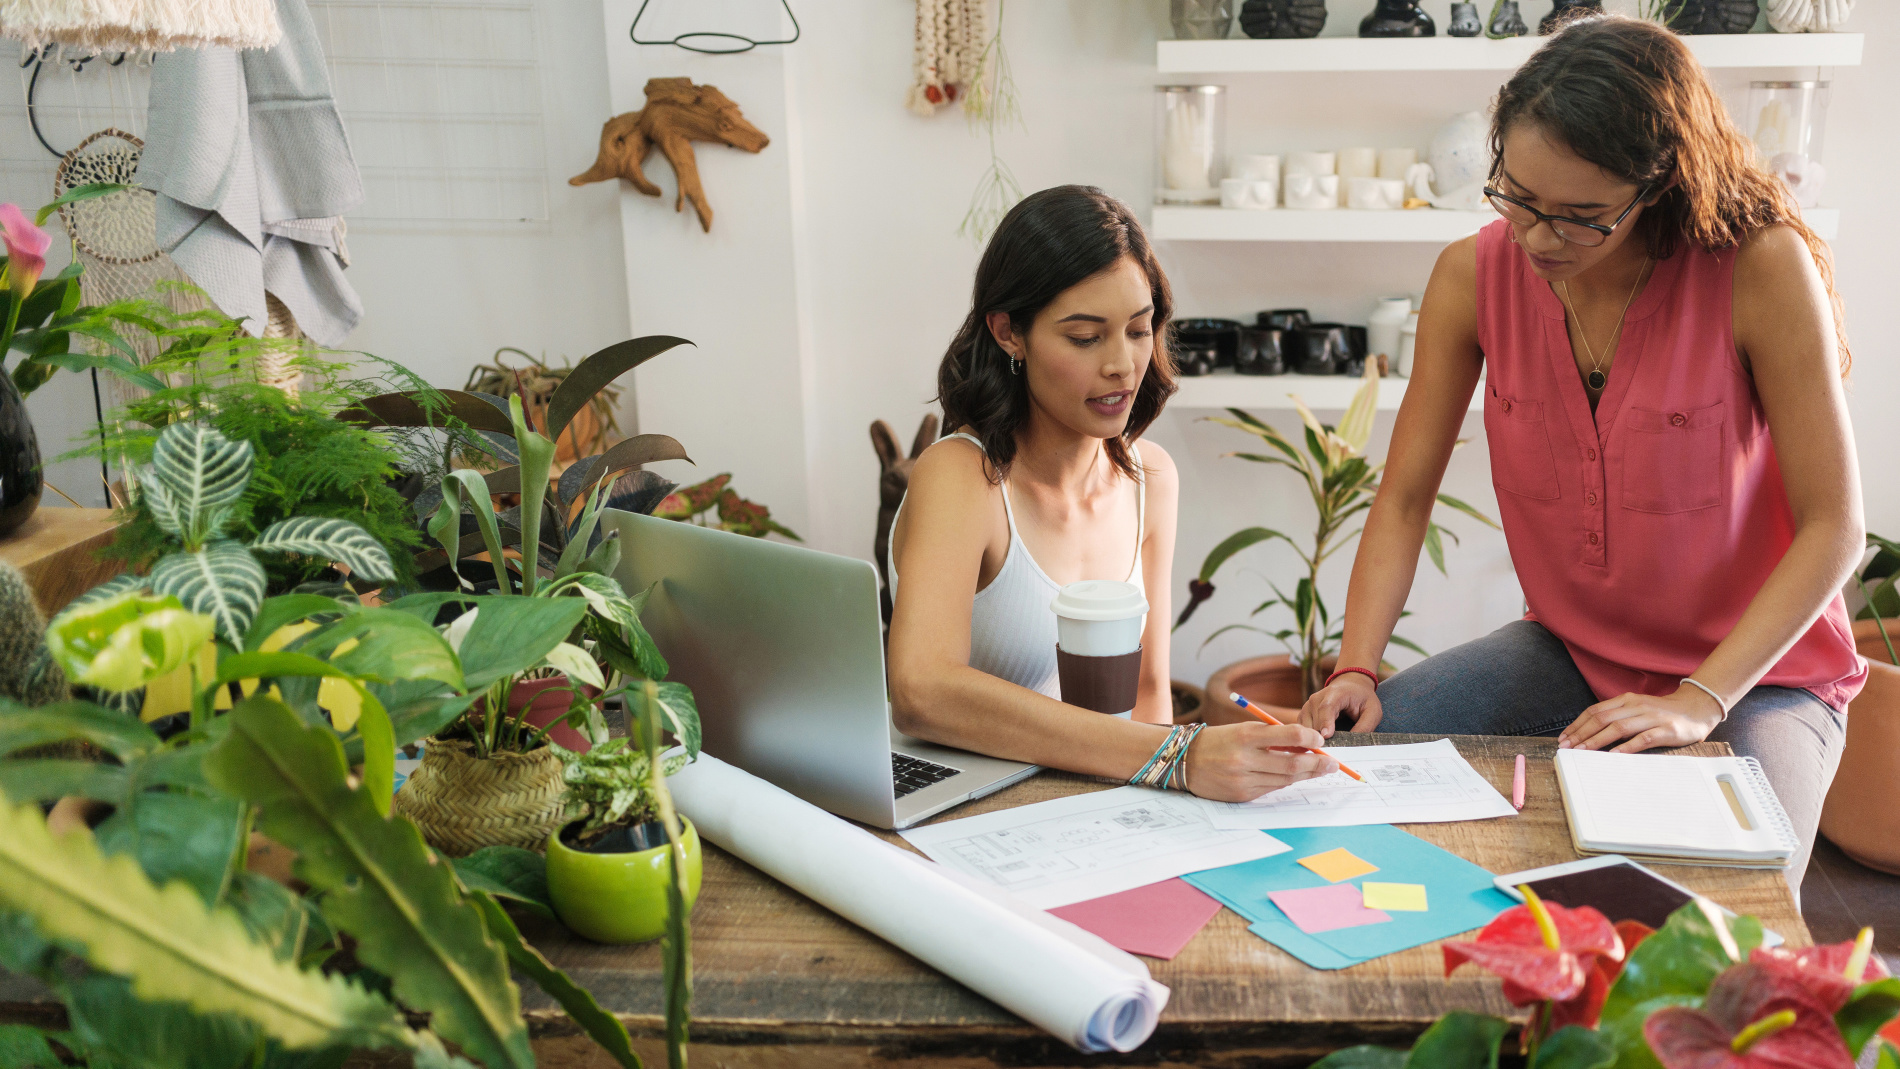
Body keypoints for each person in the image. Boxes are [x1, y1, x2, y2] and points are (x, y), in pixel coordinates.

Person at [1297, 15, 1865, 889]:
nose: (1537, 238)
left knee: (1733, 900)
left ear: (1661, 184)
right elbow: (1405, 494)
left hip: (1765, 675)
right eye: (1517, 197)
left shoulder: (1762, 268)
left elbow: (1834, 526)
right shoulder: (1470, 276)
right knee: (1349, 767)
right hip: (1570, 651)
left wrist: (1698, 703)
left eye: (1581, 216)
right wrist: (1355, 665)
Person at [888, 185, 1338, 801]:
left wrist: (1161, 803)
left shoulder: (1149, 479)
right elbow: (922, 693)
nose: (1123, 365)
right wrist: (1177, 756)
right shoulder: (962, 477)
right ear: (1008, 333)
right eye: (1084, 336)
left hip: (1102, 809)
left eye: (1138, 329)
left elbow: (1151, 694)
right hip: (971, 814)